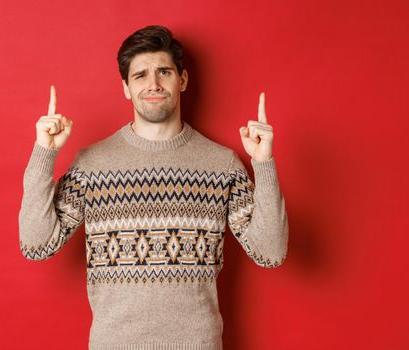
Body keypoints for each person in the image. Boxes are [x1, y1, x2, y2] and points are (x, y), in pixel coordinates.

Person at [18, 24, 289, 350]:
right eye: (140, 75)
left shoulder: (222, 165)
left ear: (183, 80)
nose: (154, 84)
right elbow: (35, 245)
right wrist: (44, 152)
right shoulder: (93, 164)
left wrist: (264, 162)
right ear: (126, 89)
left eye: (164, 72)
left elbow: (271, 253)